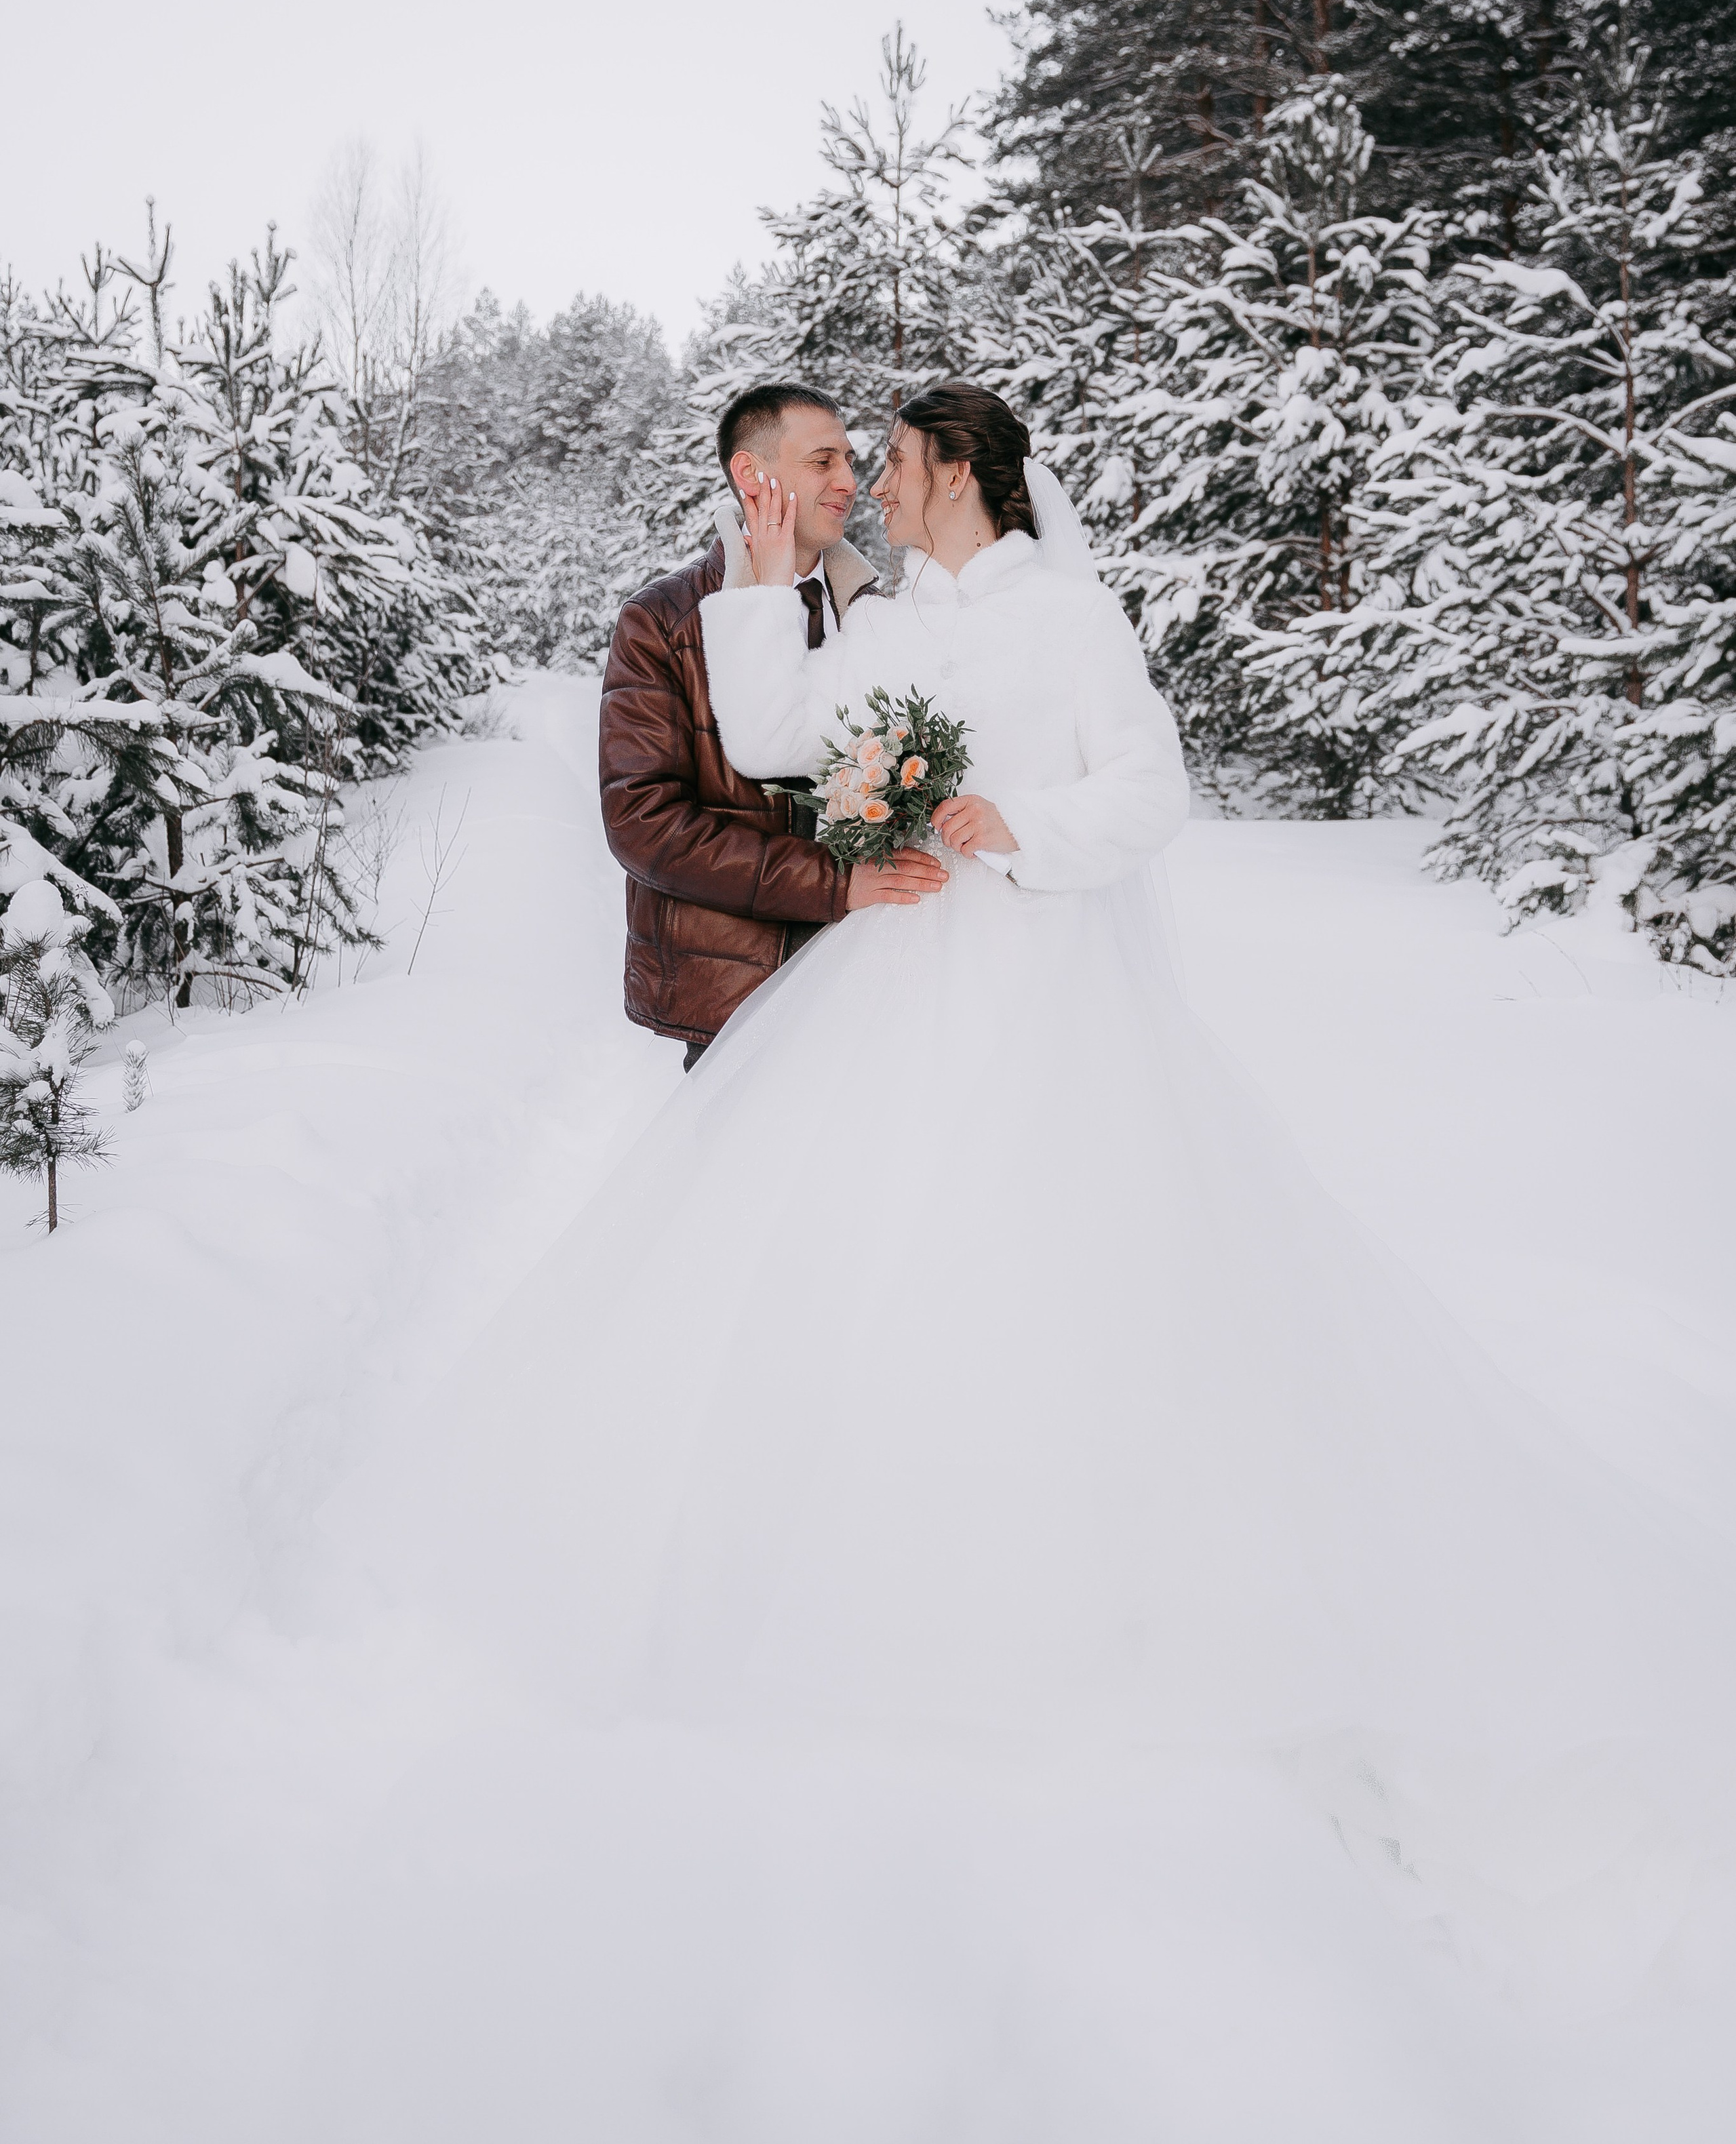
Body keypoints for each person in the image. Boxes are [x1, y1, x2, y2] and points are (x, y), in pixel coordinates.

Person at [355, 380, 1736, 2130]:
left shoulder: (1068, 617)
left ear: (967, 477)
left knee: (1065, 1265)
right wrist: (761, 570)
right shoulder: (880, 619)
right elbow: (772, 733)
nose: (873, 482)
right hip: (894, 983)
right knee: (865, 1264)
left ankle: (1097, 1591)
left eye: (895, 462)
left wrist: (1029, 830)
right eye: (855, 464)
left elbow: (1150, 791)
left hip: (1042, 990)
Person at [597, 378, 946, 1071]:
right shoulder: (663, 622)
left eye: (850, 460)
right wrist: (833, 883)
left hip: (876, 981)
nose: (849, 481)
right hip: (736, 992)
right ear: (751, 473)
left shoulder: (878, 616)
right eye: (823, 461)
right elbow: (643, 822)